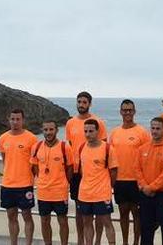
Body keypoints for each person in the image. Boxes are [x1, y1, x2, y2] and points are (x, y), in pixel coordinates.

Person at [65, 91, 107, 245]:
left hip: (96, 173)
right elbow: (69, 146)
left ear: (89, 104)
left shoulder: (98, 122)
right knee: (79, 209)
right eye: (79, 102)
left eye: (84, 102)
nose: (81, 105)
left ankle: (97, 241)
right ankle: (81, 241)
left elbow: (104, 147)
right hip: (77, 172)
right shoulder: (70, 123)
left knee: (100, 211)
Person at [109, 99, 150, 245]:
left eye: (130, 110)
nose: (127, 112)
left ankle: (135, 242)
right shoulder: (114, 132)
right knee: (123, 214)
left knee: (137, 215)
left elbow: (147, 157)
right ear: (120, 112)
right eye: (125, 110)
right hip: (119, 180)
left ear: (134, 111)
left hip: (136, 180)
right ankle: (125, 242)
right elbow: (109, 158)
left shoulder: (142, 132)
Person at [136, 117, 163, 245]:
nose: (154, 131)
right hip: (145, 194)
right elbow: (137, 169)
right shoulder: (142, 149)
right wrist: (144, 187)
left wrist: (152, 188)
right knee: (146, 229)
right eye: (153, 128)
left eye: (158, 128)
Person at [30, 120, 73, 245]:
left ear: (56, 130)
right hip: (43, 191)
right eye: (45, 130)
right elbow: (34, 166)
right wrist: (42, 179)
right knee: (44, 221)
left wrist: (65, 181)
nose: (48, 132)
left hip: (60, 191)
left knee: (63, 221)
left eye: (51, 129)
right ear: (42, 131)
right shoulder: (36, 147)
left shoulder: (65, 147)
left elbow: (70, 167)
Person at [0, 108, 38, 245]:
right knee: (11, 216)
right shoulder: (3, 138)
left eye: (18, 119)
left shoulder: (31, 138)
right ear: (9, 120)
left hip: (25, 184)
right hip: (8, 184)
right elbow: (5, 159)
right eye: (13, 119)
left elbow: (34, 163)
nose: (15, 122)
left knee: (27, 216)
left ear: (23, 120)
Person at [77, 119, 118, 245]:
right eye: (85, 131)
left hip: (102, 193)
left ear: (97, 131)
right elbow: (82, 170)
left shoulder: (107, 148)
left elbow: (114, 171)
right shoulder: (82, 147)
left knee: (107, 223)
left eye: (91, 131)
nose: (88, 134)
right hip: (85, 193)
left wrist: (107, 186)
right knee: (87, 223)